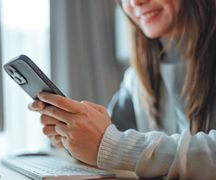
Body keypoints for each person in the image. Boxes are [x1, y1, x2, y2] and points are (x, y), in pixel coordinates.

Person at [29, 0, 216, 179]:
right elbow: (112, 135)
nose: (135, 2)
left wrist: (113, 146)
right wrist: (75, 139)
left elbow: (118, 144)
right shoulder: (136, 79)